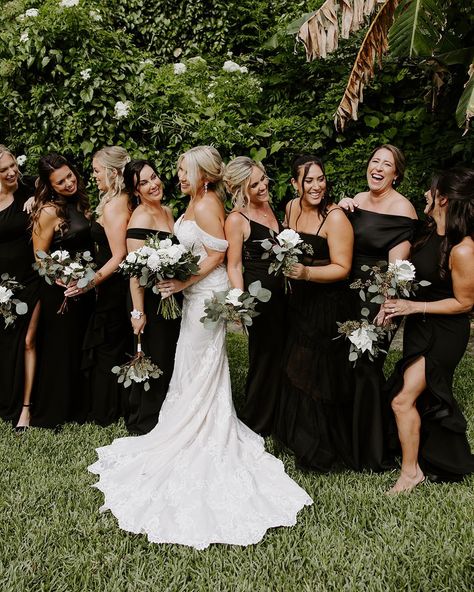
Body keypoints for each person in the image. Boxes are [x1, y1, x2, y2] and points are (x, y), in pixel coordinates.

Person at [89, 146, 312, 549]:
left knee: (199, 359)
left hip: (205, 295)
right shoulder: (190, 202)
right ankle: (189, 417)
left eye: (183, 170)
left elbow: (220, 253)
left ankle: (201, 423)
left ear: (203, 175)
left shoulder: (208, 203)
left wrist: (183, 283)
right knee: (193, 363)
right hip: (193, 295)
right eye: (176, 169)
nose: (178, 176)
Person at [382, 168, 474, 492]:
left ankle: (411, 472)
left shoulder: (463, 249)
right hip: (419, 327)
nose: (425, 194)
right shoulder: (427, 232)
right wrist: (391, 302)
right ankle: (435, 456)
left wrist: (413, 308)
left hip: (446, 332)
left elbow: (464, 303)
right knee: (419, 399)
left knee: (402, 399)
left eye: (430, 190)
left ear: (443, 198)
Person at [273, 154, 355, 470]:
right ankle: (296, 433)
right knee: (294, 363)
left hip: (327, 301)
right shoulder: (291, 208)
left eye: (320, 179)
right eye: (308, 180)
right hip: (297, 301)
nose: (316, 186)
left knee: (315, 370)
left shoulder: (334, 217)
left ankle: (320, 444)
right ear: (295, 184)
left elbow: (343, 268)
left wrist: (306, 274)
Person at [339, 144, 417, 470]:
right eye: (375, 161)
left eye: (387, 164)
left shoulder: (403, 210)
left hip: (377, 297)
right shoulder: (357, 200)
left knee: (367, 367)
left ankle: (371, 452)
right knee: (345, 366)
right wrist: (341, 209)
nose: (379, 168)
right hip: (346, 291)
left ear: (396, 174)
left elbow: (397, 268)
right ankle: (346, 439)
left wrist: (385, 308)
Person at [31, 154, 95, 428]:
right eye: (61, 181)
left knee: (79, 345)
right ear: (50, 185)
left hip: (84, 285)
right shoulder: (48, 211)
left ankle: (79, 407)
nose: (69, 183)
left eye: (70, 176)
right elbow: (39, 255)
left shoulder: (81, 200)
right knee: (60, 350)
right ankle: (53, 412)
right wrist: (60, 276)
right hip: (61, 291)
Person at [224, 157, 286, 435]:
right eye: (255, 184)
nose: (263, 186)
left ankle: (281, 416)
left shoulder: (273, 208)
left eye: (263, 179)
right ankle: (257, 423)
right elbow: (234, 265)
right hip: (260, 301)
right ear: (239, 189)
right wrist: (240, 303)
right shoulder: (237, 219)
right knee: (264, 360)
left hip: (286, 298)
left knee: (283, 357)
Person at [123, 159, 181, 434]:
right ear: (136, 191)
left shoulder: (167, 212)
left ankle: (165, 412)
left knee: (168, 355)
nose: (153, 184)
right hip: (149, 299)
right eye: (143, 183)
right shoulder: (141, 217)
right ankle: (143, 418)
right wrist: (138, 312)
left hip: (170, 295)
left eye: (154, 177)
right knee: (153, 355)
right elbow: (135, 272)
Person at [82, 146, 133, 426]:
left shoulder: (115, 206)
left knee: (108, 345)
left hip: (113, 286)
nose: (94, 176)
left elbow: (118, 256)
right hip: (114, 285)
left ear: (113, 173)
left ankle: (105, 410)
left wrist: (88, 283)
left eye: (97, 171)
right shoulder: (118, 199)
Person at [0, 146, 40, 431]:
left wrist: (38, 199)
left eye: (13, 165)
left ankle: (25, 408)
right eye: (4, 170)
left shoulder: (28, 190)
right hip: (1, 287)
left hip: (29, 281)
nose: (12, 172)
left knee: (26, 341)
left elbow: (54, 202)